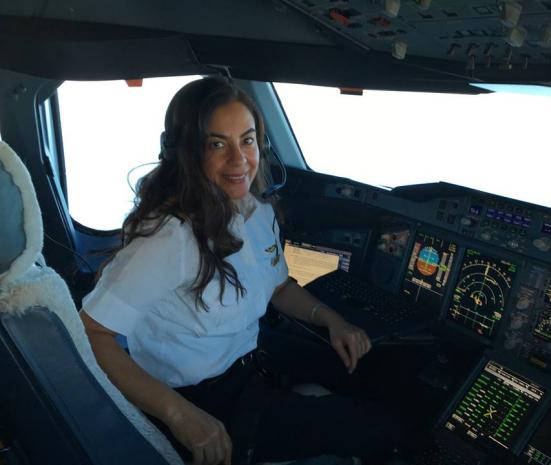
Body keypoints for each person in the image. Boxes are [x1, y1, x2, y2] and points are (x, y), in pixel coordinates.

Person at [80, 77, 402, 465]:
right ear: (187, 152)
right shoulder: (169, 239)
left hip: (252, 356)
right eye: (218, 144)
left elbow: (279, 287)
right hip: (204, 398)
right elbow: (92, 333)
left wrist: (332, 320)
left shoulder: (255, 211)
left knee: (381, 372)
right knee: (373, 428)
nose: (239, 160)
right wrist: (181, 416)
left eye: (247, 141)